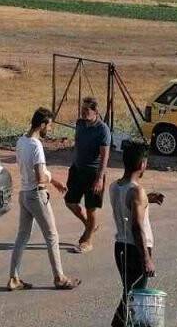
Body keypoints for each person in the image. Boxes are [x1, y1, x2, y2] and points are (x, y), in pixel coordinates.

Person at [7, 108, 81, 291]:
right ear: (42, 125)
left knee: (22, 236)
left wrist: (54, 181)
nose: (50, 129)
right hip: (36, 194)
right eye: (49, 125)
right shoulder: (35, 146)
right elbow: (40, 176)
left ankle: (13, 278)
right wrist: (49, 180)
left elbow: (32, 171)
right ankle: (59, 277)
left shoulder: (21, 141)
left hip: (24, 194)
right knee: (52, 236)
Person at [110, 140, 164, 327]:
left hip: (120, 247)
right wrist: (147, 258)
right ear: (142, 164)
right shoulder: (137, 191)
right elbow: (136, 226)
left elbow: (128, 206)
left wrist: (148, 200)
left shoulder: (115, 186)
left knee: (129, 293)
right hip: (135, 249)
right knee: (133, 297)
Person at [65, 96, 110, 253]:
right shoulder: (79, 123)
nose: (83, 113)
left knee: (91, 208)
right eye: (82, 110)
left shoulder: (102, 129)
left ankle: (88, 240)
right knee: (70, 202)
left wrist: (99, 179)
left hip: (93, 174)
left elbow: (105, 156)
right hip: (77, 171)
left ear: (95, 111)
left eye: (86, 110)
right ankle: (90, 226)